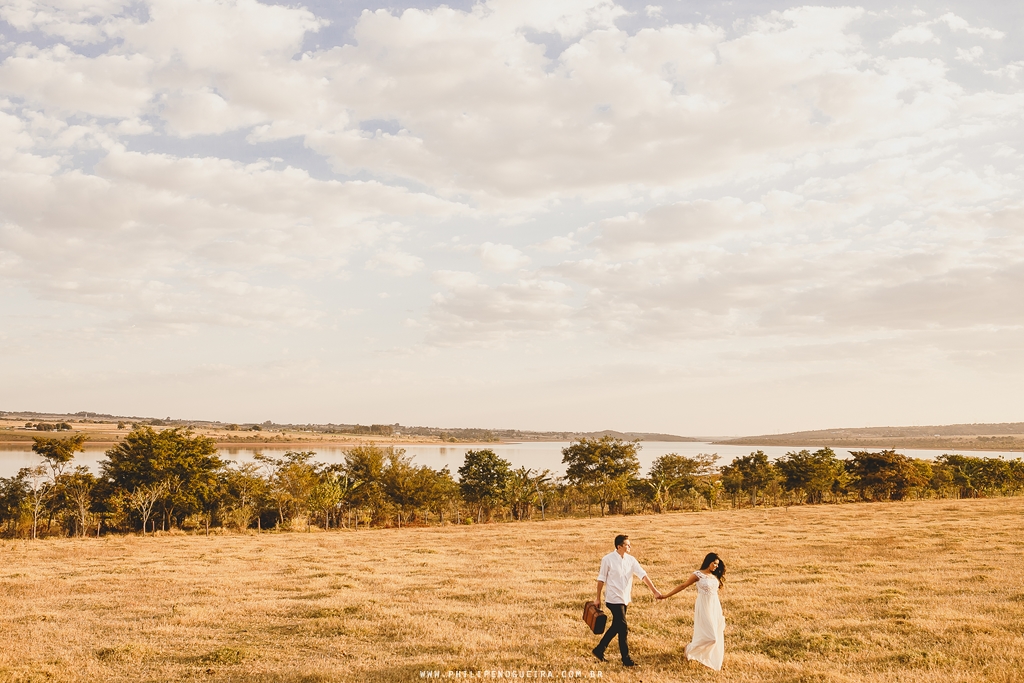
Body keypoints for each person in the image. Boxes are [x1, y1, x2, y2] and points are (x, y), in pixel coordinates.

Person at [592, 534, 663, 667]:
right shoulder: (607, 559)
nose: (630, 546)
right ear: (619, 546)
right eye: (627, 544)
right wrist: (597, 598)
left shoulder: (631, 560)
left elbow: (643, 575)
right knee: (623, 627)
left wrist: (654, 591)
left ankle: (599, 649)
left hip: (625, 598)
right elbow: (601, 579)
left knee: (617, 626)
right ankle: (626, 659)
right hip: (613, 599)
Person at [658, 552, 726, 671]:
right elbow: (682, 586)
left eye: (717, 564)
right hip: (704, 606)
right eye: (714, 563)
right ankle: (689, 648)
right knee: (712, 637)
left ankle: (703, 654)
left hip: (715, 606)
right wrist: (666, 596)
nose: (716, 566)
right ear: (708, 562)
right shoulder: (698, 575)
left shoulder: (714, 576)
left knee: (716, 634)